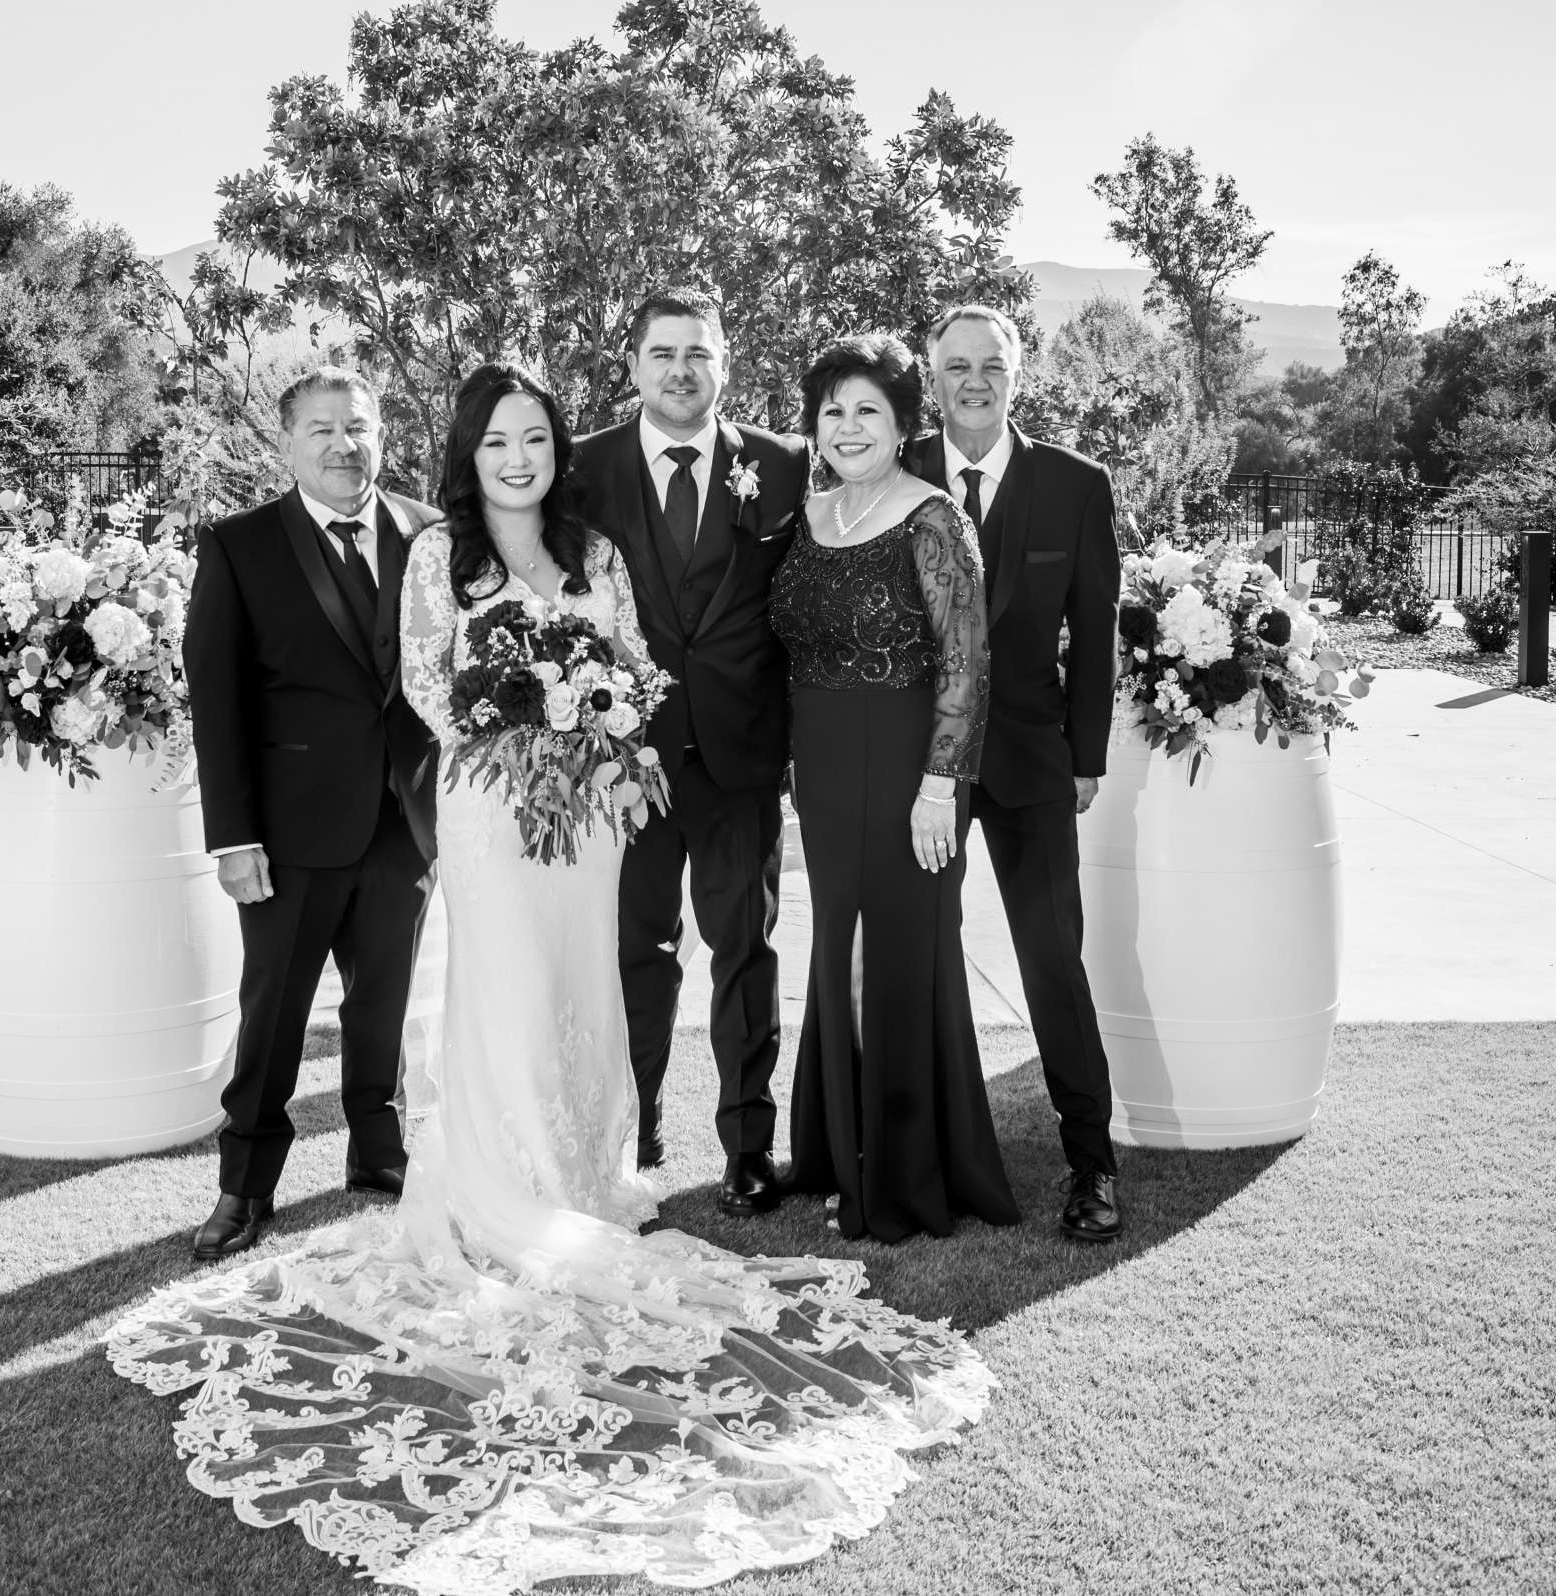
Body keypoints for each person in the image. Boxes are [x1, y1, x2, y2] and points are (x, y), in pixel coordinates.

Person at [110, 363, 991, 1594]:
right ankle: (497, 1185)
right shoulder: (440, 558)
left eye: (534, 439)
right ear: (468, 454)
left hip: (588, 816)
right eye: (497, 442)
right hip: (485, 806)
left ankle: (581, 1175)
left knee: (588, 987)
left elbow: (631, 662)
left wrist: (598, 724)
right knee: (505, 992)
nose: (517, 458)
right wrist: (511, 722)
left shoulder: (595, 548)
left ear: (553, 451)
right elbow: (427, 678)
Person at [180, 367, 442, 1262]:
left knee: (383, 1007)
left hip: (401, 825)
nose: (344, 444)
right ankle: (244, 1188)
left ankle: (378, 1155)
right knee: (274, 1015)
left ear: (383, 434)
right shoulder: (238, 545)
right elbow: (216, 703)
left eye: (359, 427)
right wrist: (234, 837)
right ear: (287, 442)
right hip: (286, 837)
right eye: (322, 429)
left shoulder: (427, 535)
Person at [772, 333, 1021, 1244]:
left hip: (911, 766)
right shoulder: (810, 515)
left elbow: (968, 661)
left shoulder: (933, 519)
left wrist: (939, 787)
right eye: (832, 410)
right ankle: (839, 1149)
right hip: (827, 773)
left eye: (867, 410)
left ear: (900, 421)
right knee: (836, 949)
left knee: (901, 955)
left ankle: (907, 1173)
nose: (847, 427)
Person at [570, 288, 809, 1212]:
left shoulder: (784, 467)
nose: (681, 371)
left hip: (743, 758)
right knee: (635, 952)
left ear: (724, 365)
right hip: (624, 763)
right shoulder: (582, 469)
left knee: (744, 952)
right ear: (633, 365)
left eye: (698, 355)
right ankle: (639, 1127)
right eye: (663, 353)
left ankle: (748, 1146)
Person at [908, 305, 1126, 1243]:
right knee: (919, 960)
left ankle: (1093, 1164)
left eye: (992, 365)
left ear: (1017, 375)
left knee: (1051, 960)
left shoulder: (1075, 485)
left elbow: (1097, 630)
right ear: (933, 375)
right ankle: (924, 1157)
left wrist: (1085, 758)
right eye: (957, 366)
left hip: (1037, 764)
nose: (975, 382)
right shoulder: (896, 467)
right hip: (924, 768)